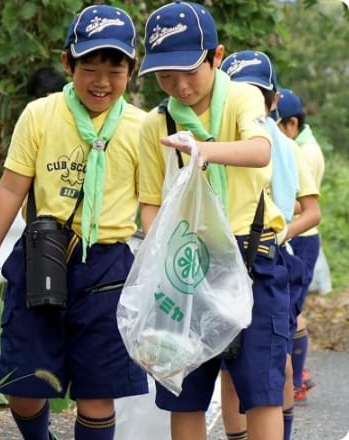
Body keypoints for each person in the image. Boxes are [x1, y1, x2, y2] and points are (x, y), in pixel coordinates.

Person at [0, 5, 148, 440]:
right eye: (89, 66)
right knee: (23, 386)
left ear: (132, 70)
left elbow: (152, 206)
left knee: (96, 393)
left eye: (115, 68)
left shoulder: (142, 127)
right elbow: (12, 189)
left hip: (108, 268)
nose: (102, 81)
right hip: (42, 258)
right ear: (68, 63)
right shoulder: (40, 115)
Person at [138, 3, 290, 440]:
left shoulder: (243, 97)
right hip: (187, 266)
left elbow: (260, 150)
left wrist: (204, 150)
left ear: (216, 57)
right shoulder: (157, 124)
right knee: (184, 386)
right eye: (167, 76)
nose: (180, 86)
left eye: (190, 71)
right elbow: (151, 203)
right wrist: (160, 255)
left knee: (260, 388)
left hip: (251, 257)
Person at [219, 50, 321, 440]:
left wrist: (281, 233)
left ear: (273, 100)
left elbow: (310, 211)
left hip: (274, 259)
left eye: (259, 94)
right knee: (230, 367)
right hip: (228, 260)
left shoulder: (286, 147)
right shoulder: (226, 142)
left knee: (277, 364)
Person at [277, 88, 325, 403]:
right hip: (299, 237)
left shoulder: (302, 152)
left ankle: (296, 377)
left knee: (292, 310)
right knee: (294, 308)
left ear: (292, 124)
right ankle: (297, 375)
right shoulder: (301, 144)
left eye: (276, 124)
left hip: (300, 238)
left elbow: (301, 204)